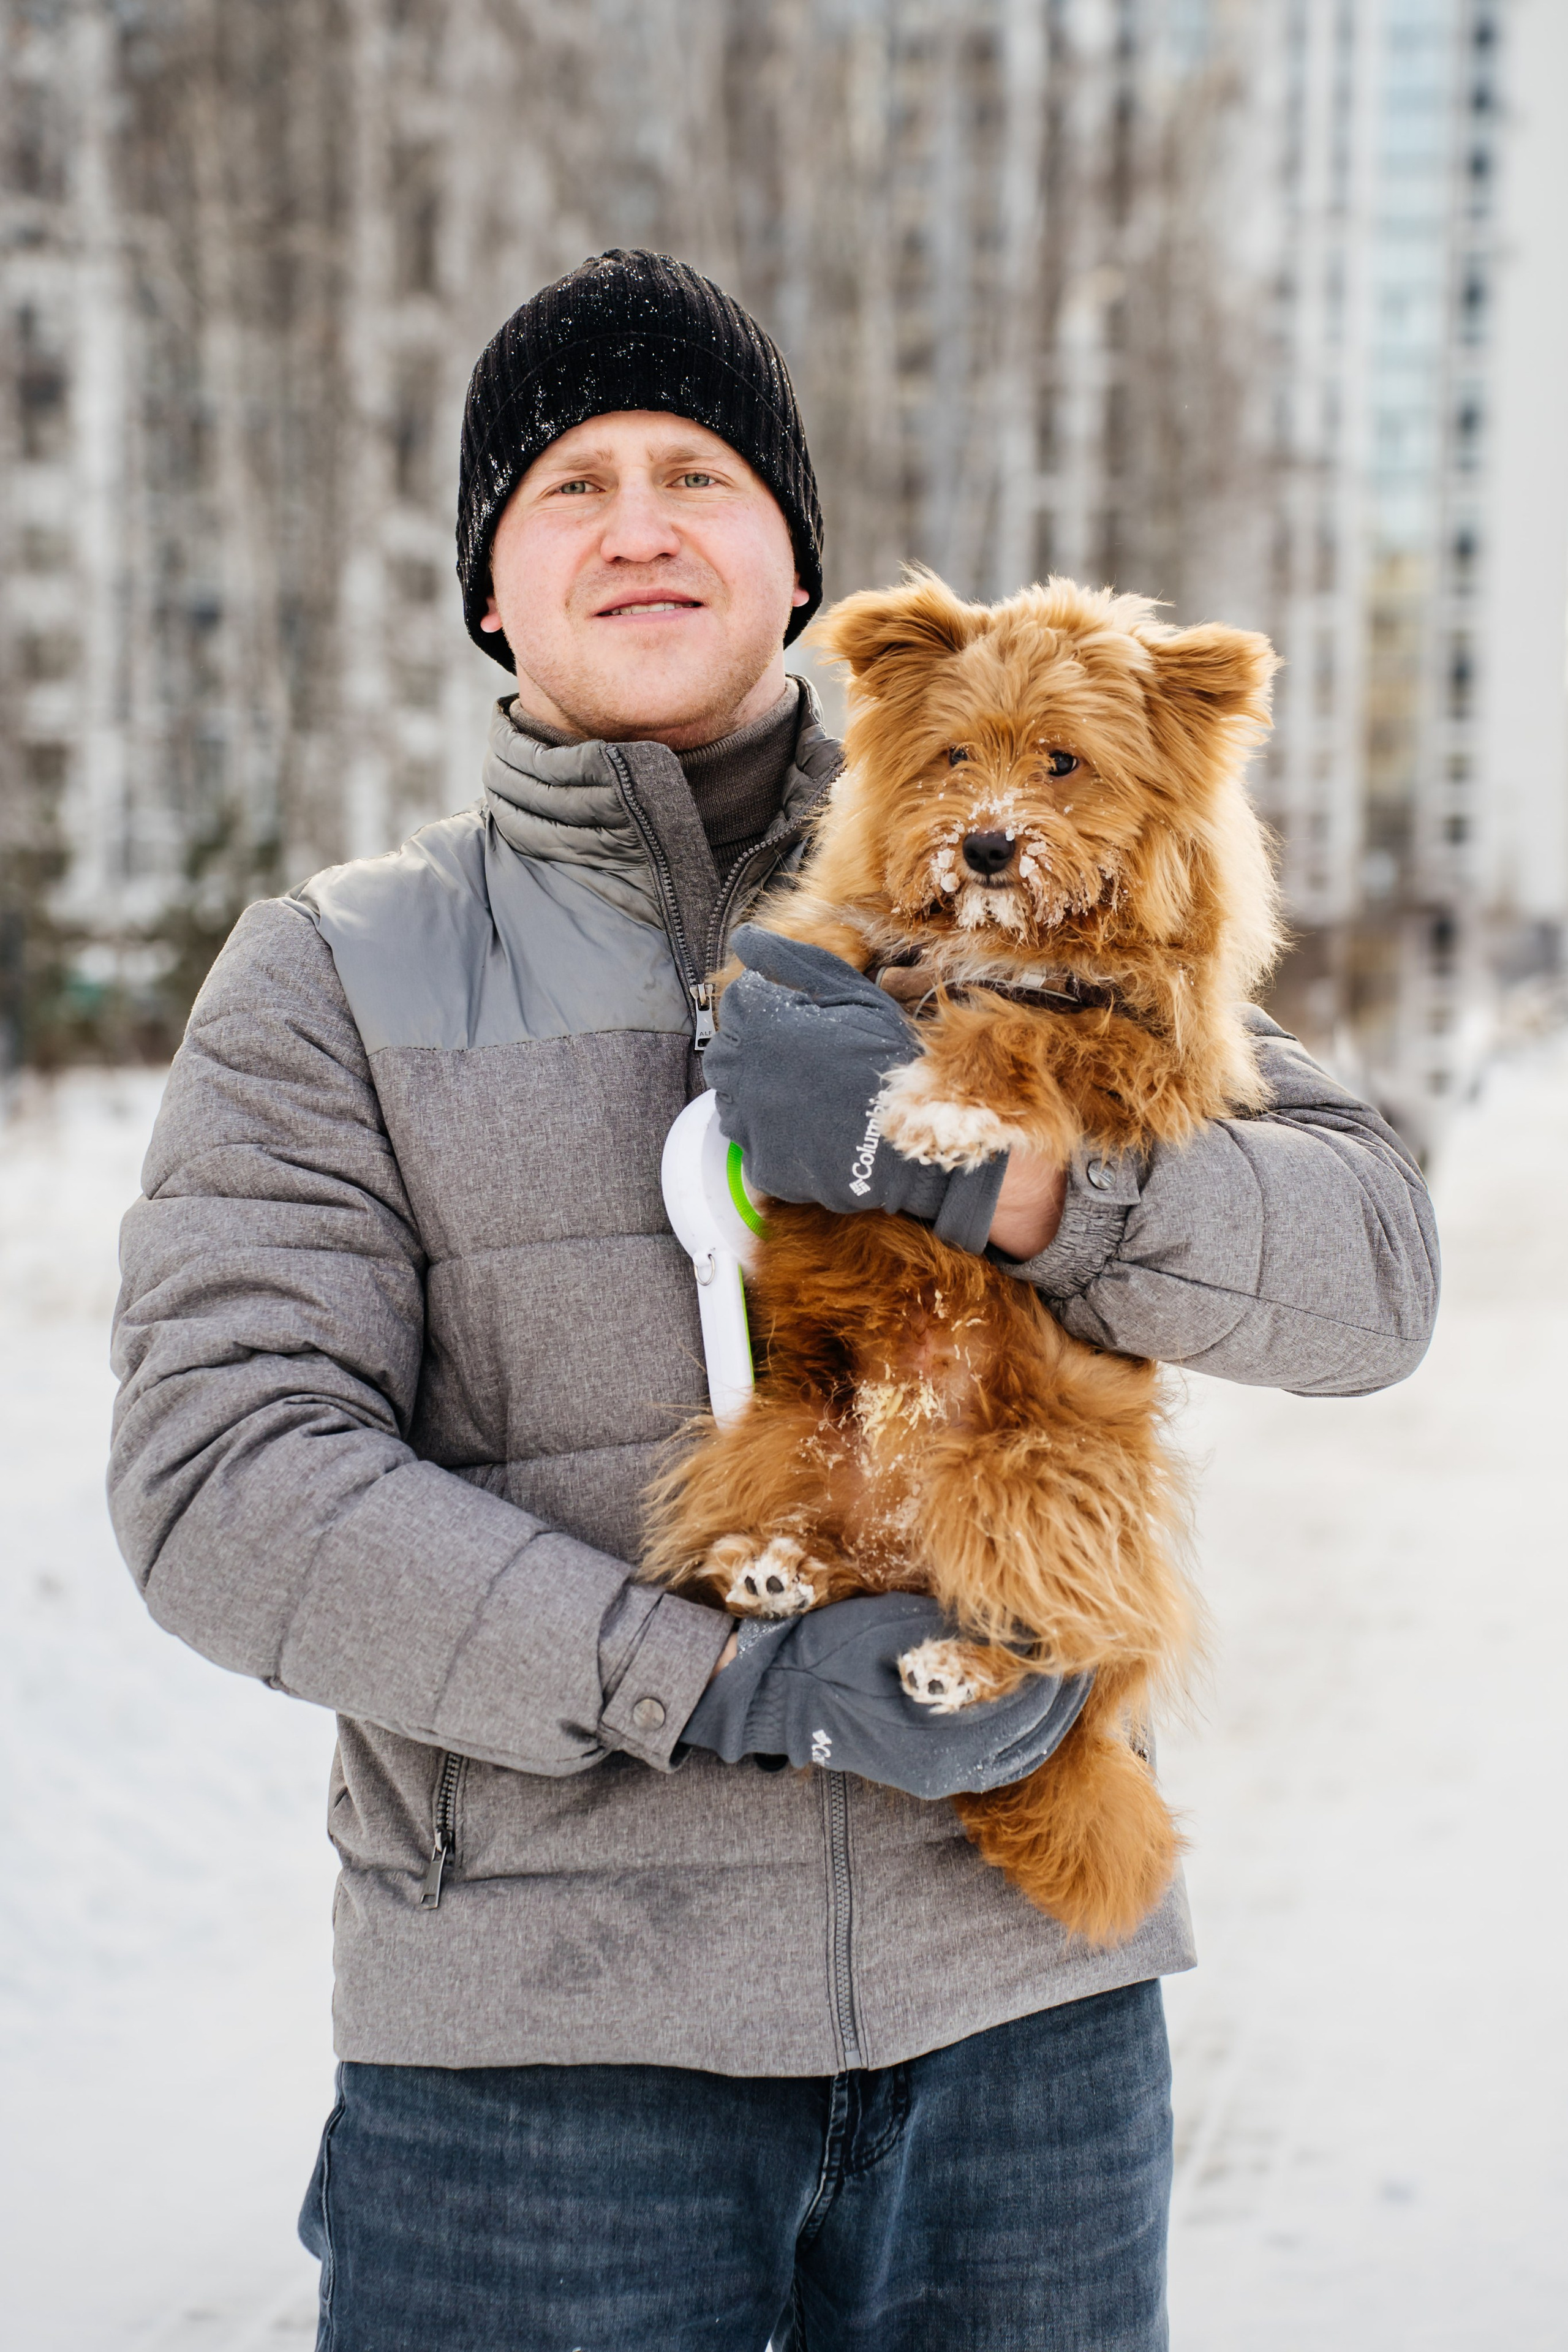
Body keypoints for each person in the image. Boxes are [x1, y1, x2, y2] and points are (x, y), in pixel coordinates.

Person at [108, 249, 1439, 2351]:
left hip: (1027, 2039)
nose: (640, 521)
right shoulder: (334, 977)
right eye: (570, 485)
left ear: (792, 560)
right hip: (543, 2082)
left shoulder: (1035, 881)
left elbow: (1373, 1274)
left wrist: (1006, 1178)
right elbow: (224, 1486)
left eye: (701, 472)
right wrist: (706, 1682)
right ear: (489, 587)